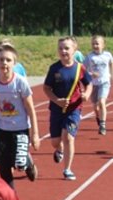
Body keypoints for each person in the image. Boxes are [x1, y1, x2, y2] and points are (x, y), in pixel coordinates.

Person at [0, 44, 40, 188]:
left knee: (19, 163)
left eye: (8, 60)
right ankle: (10, 197)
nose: (4, 63)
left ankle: (28, 163)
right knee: (3, 166)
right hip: (1, 129)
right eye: (1, 60)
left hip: (20, 129)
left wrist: (35, 134)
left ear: (14, 63)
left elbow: (31, 109)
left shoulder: (20, 82)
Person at [42, 36, 91, 181]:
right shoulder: (54, 68)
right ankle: (59, 149)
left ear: (74, 50)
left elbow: (88, 83)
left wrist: (86, 94)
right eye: (60, 48)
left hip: (74, 109)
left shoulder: (80, 68)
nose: (63, 51)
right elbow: (46, 88)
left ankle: (67, 169)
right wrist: (57, 100)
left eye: (67, 48)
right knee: (55, 141)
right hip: (57, 109)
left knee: (69, 137)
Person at [84, 35, 113, 136]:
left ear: (103, 45)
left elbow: (112, 64)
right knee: (95, 107)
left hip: (104, 82)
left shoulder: (108, 55)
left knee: (102, 102)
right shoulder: (89, 57)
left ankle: (103, 125)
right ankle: (98, 117)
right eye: (93, 43)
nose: (95, 45)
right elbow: (83, 69)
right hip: (93, 84)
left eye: (97, 43)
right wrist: (91, 74)